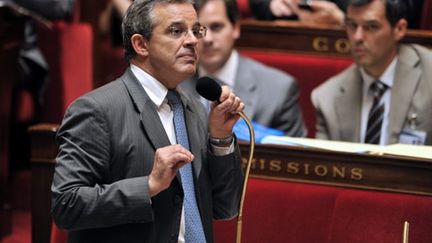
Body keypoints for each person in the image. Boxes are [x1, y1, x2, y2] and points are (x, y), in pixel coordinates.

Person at [51, 0, 245, 242]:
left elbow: (225, 207)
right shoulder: (95, 110)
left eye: (196, 30)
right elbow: (66, 206)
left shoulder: (193, 107)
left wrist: (220, 138)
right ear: (141, 44)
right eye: (176, 31)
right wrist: (148, 185)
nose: (194, 41)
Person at [311, 0, 432, 145]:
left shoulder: (428, 73)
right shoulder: (327, 98)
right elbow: (326, 165)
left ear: (399, 29)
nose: (357, 37)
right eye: (352, 25)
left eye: (372, 27)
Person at [181, 0, 307, 137]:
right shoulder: (175, 83)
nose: (207, 39)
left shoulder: (279, 89)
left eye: (216, 27)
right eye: (198, 30)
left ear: (236, 28)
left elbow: (294, 155)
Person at [249, 0, 423, 29]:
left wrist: (344, 20)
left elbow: (404, 10)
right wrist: (274, 5)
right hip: (292, 35)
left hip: (364, 40)